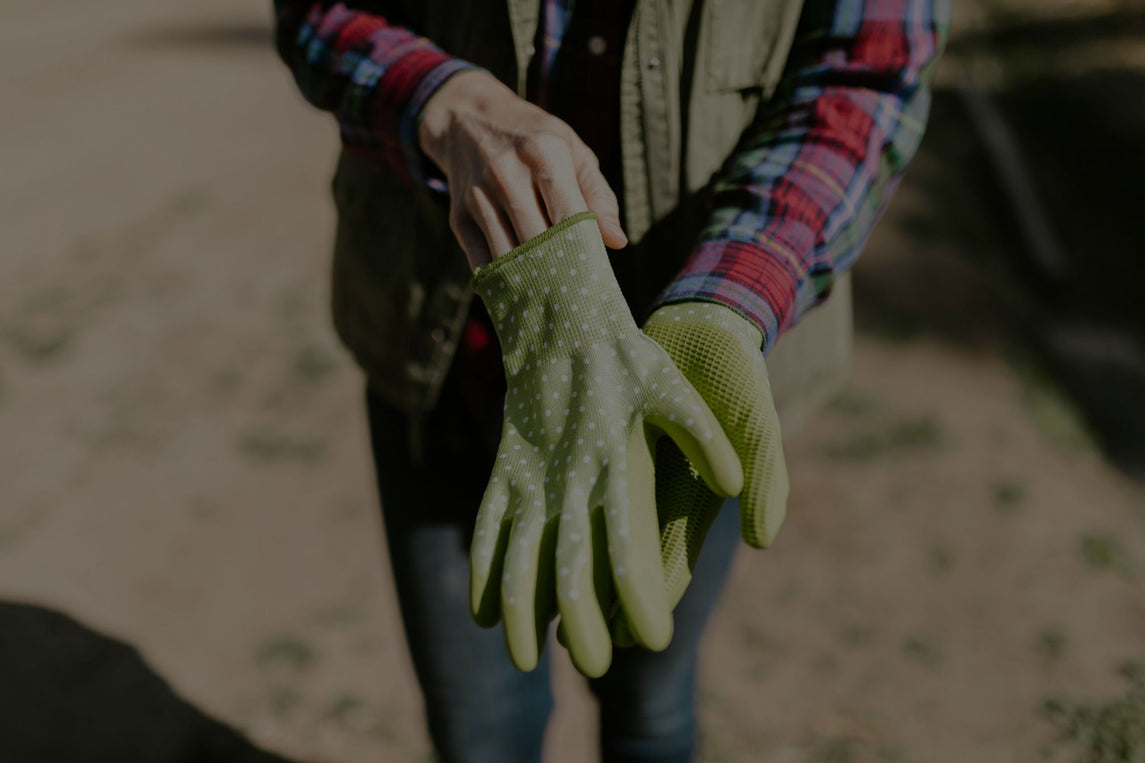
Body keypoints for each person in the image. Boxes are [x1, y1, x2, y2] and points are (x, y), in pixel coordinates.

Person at [272, 1, 947, 761]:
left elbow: (869, 71)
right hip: (443, 359)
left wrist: (729, 301)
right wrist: (443, 99)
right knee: (477, 728)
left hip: (682, 398)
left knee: (650, 703)